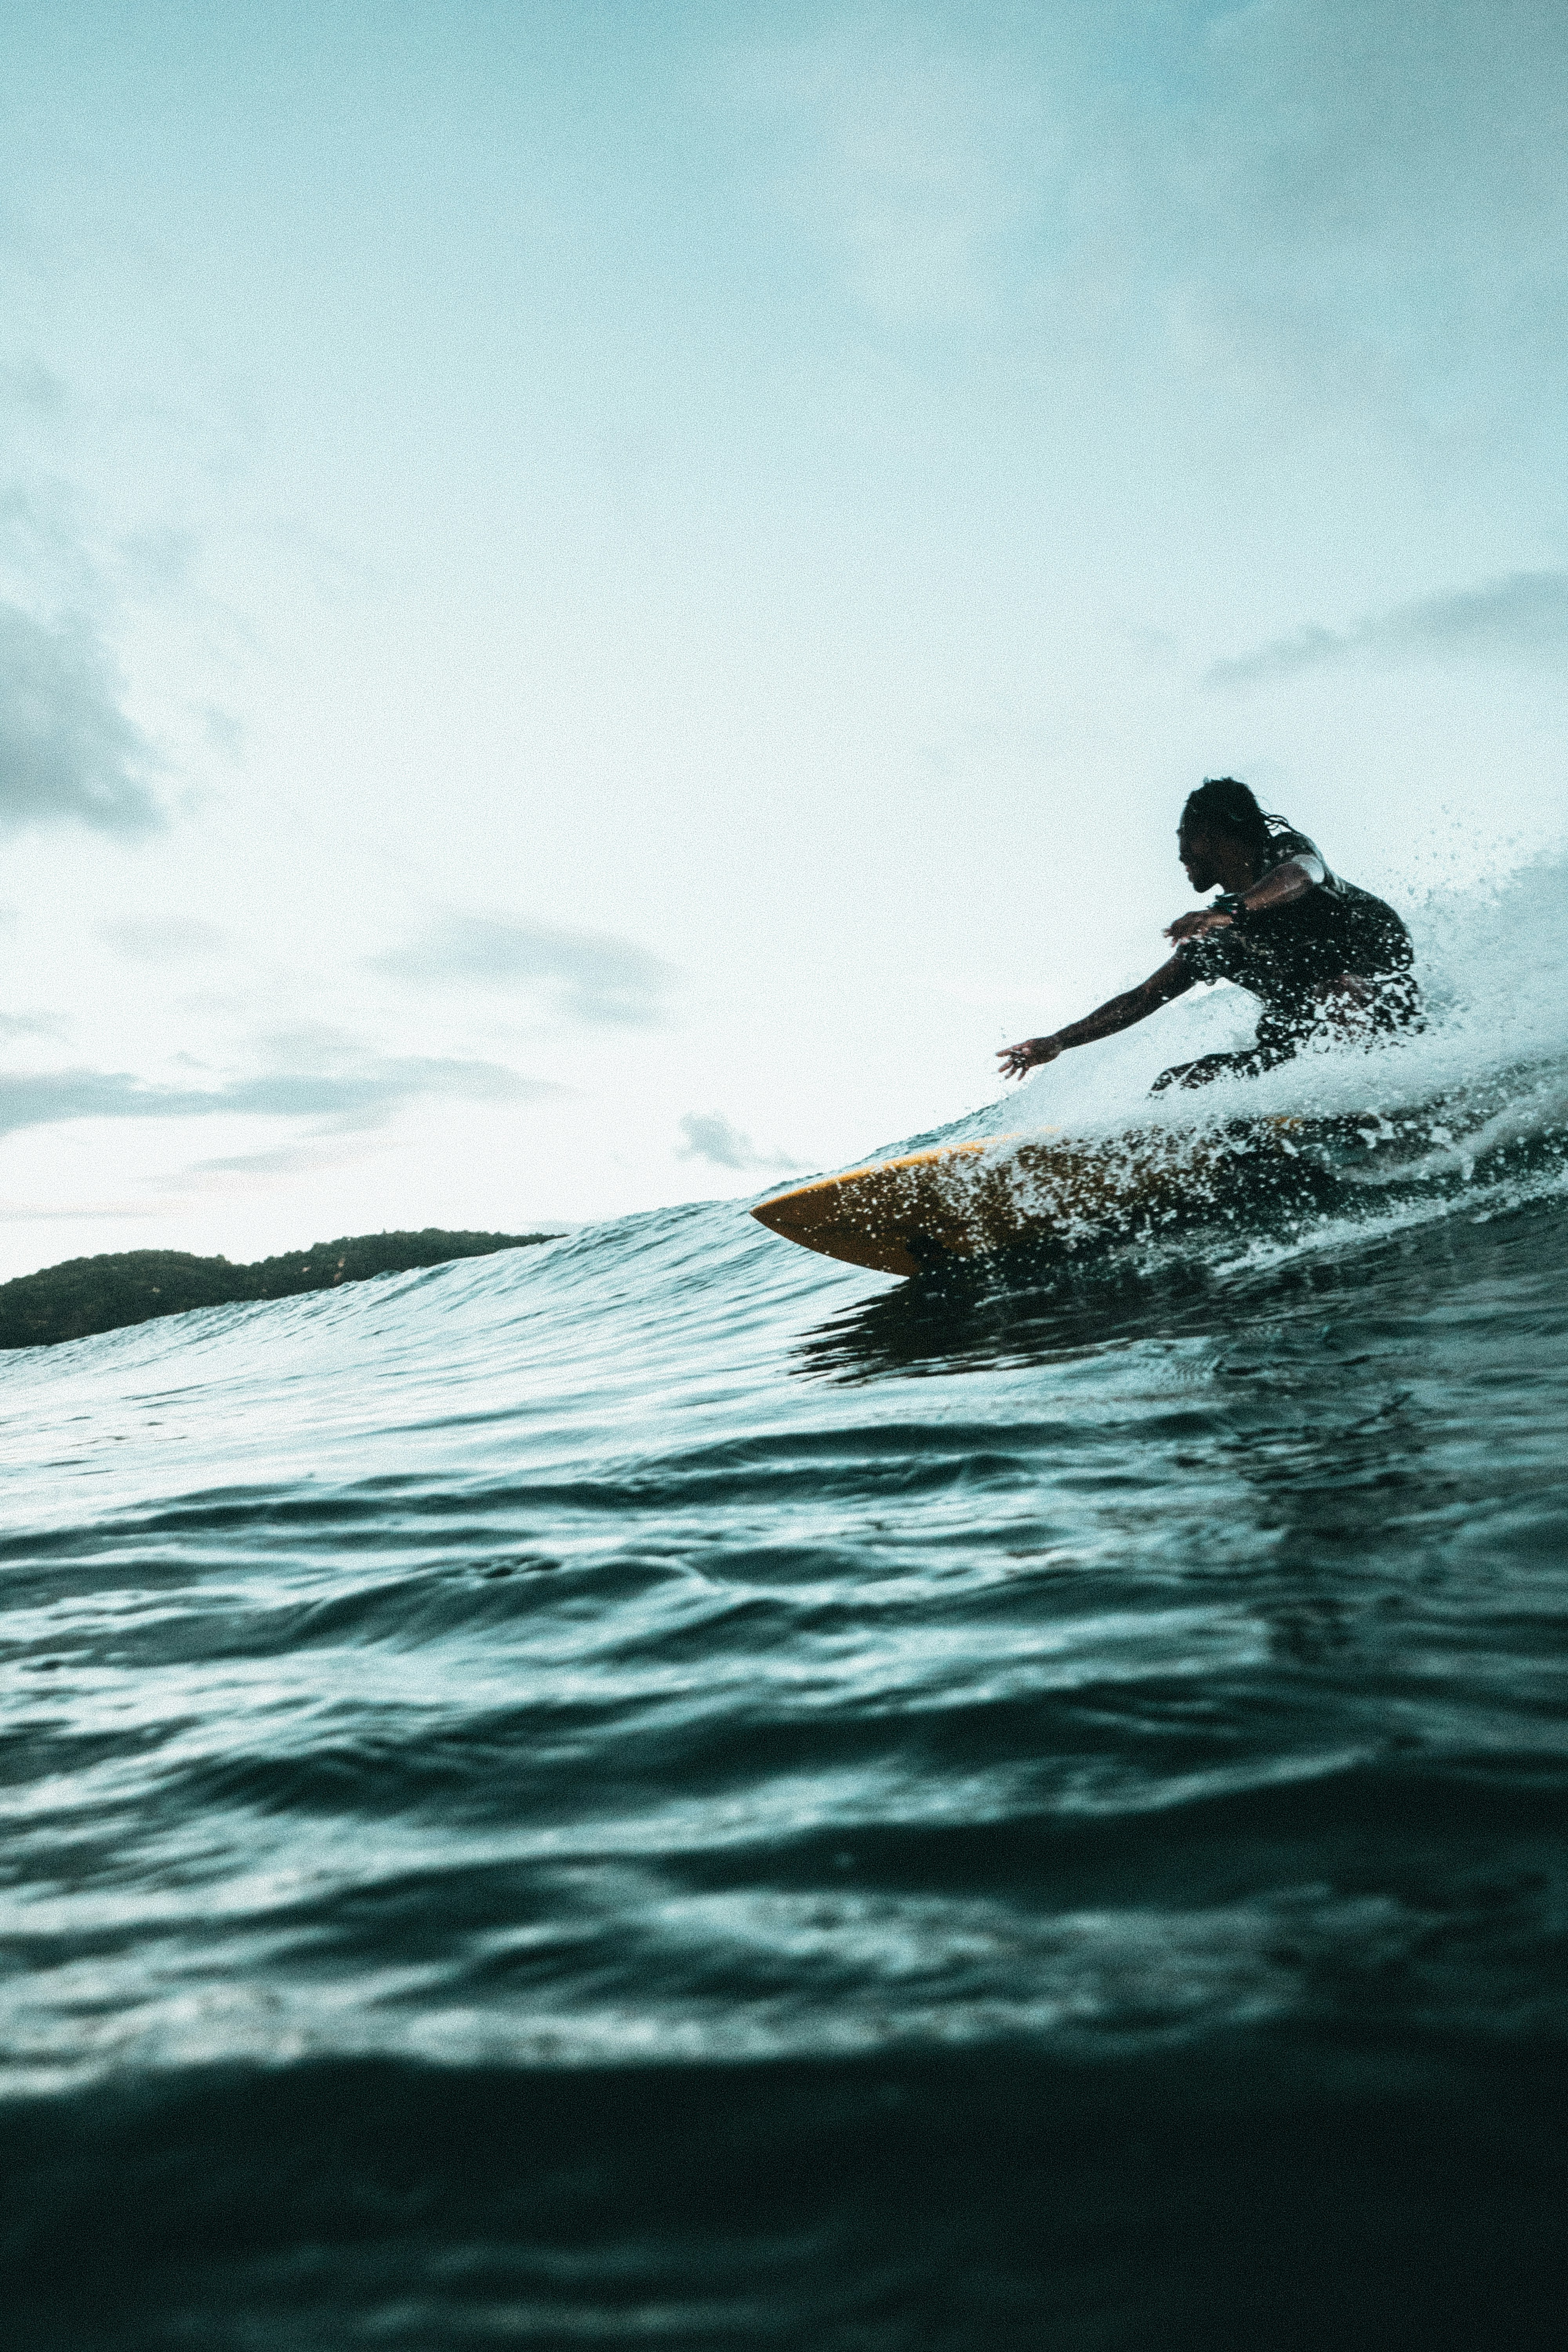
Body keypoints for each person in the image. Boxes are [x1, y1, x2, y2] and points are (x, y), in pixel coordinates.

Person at [998, 778, 1419, 1092]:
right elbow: (1143, 998)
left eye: (1184, 836)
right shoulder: (1219, 939)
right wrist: (1057, 1042)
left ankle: (1369, 1094)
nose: (1180, 851)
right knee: (1178, 1083)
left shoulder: (1287, 856)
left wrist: (1231, 910)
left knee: (1338, 990)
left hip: (1383, 1013)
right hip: (1304, 1047)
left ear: (1209, 837)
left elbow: (1300, 876)